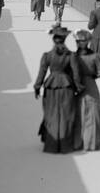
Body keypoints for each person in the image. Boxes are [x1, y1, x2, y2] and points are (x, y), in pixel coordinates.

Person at [34, 25, 82, 153]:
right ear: (65, 40)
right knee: (67, 115)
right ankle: (66, 144)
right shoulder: (71, 55)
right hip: (67, 87)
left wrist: (37, 88)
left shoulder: (47, 56)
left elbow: (41, 74)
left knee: (51, 114)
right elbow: (76, 74)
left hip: (51, 87)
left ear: (53, 40)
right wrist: (78, 87)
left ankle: (52, 144)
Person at [73, 30, 100, 151]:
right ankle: (93, 140)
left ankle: (80, 140)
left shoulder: (74, 56)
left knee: (79, 109)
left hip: (78, 84)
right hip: (91, 84)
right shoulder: (95, 56)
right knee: (94, 110)